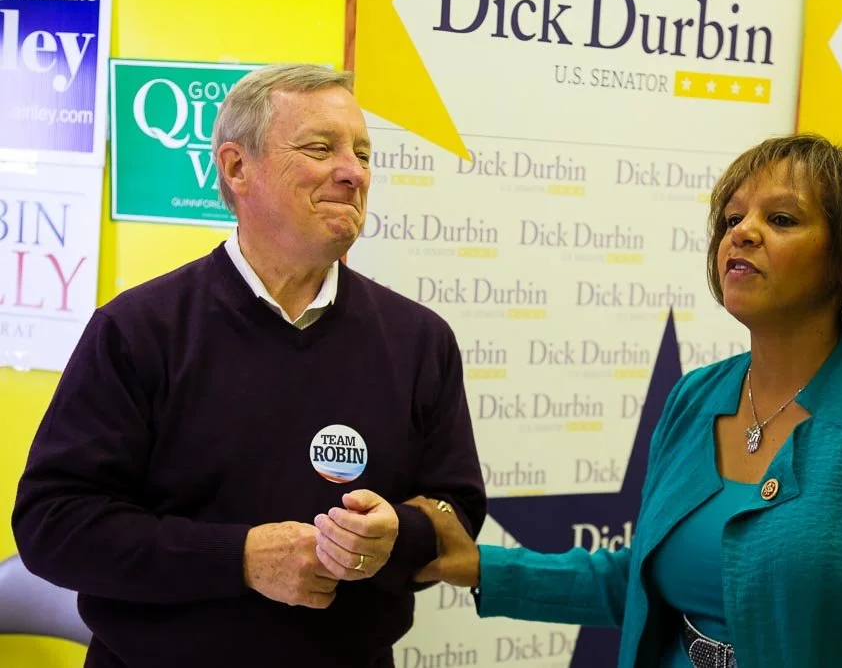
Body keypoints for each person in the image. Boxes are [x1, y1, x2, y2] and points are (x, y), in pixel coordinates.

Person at [406, 134, 842, 668]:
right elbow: (642, 583)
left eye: (781, 219)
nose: (741, 232)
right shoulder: (694, 398)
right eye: (732, 217)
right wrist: (481, 566)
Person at [11, 64, 486, 668]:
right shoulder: (138, 330)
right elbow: (54, 523)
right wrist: (239, 558)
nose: (354, 172)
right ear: (237, 168)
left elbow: (455, 507)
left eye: (363, 154)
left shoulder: (420, 340)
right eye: (321, 149)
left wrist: (398, 534)